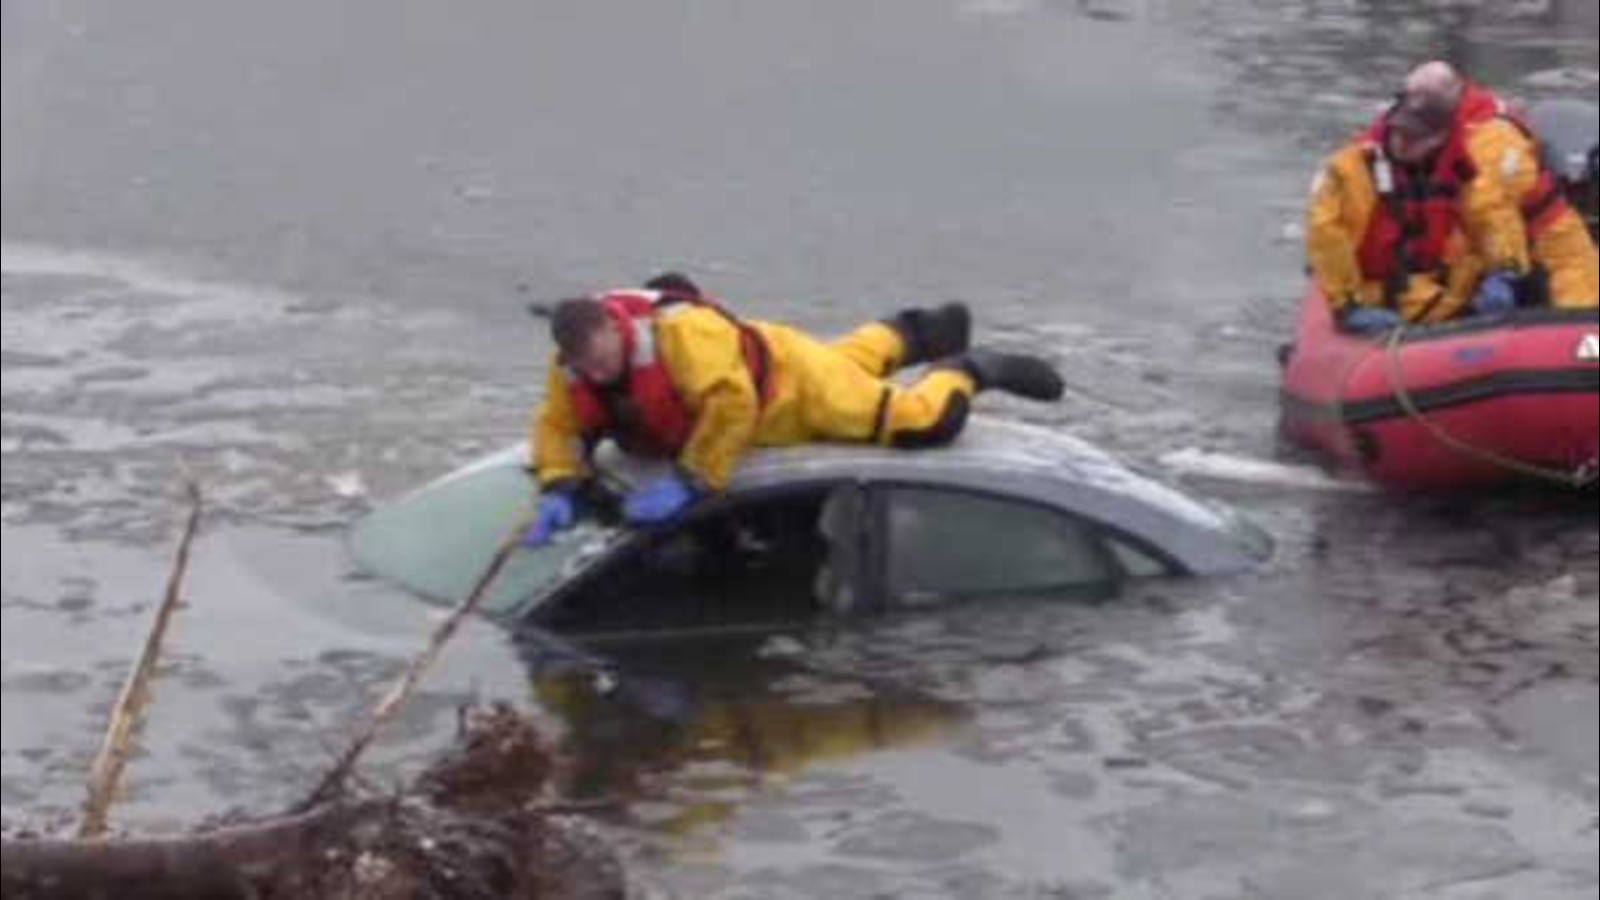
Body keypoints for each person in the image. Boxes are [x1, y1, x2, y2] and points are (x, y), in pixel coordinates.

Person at [523, 274, 1064, 545]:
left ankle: (970, 368)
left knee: (922, 422)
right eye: (585, 367)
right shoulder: (574, 366)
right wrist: (560, 482)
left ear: (615, 331)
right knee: (845, 365)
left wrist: (692, 482)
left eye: (603, 360)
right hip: (778, 360)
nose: (597, 375)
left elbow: (732, 405)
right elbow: (558, 424)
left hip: (792, 390)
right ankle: (918, 331)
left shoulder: (683, 337)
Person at [1385, 62, 1598, 312]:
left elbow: (1494, 215)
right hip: (1479, 241)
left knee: (1578, 313)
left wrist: (1504, 271)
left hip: (1551, 247)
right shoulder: (1433, 124)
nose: (1404, 144)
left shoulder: (1489, 144)